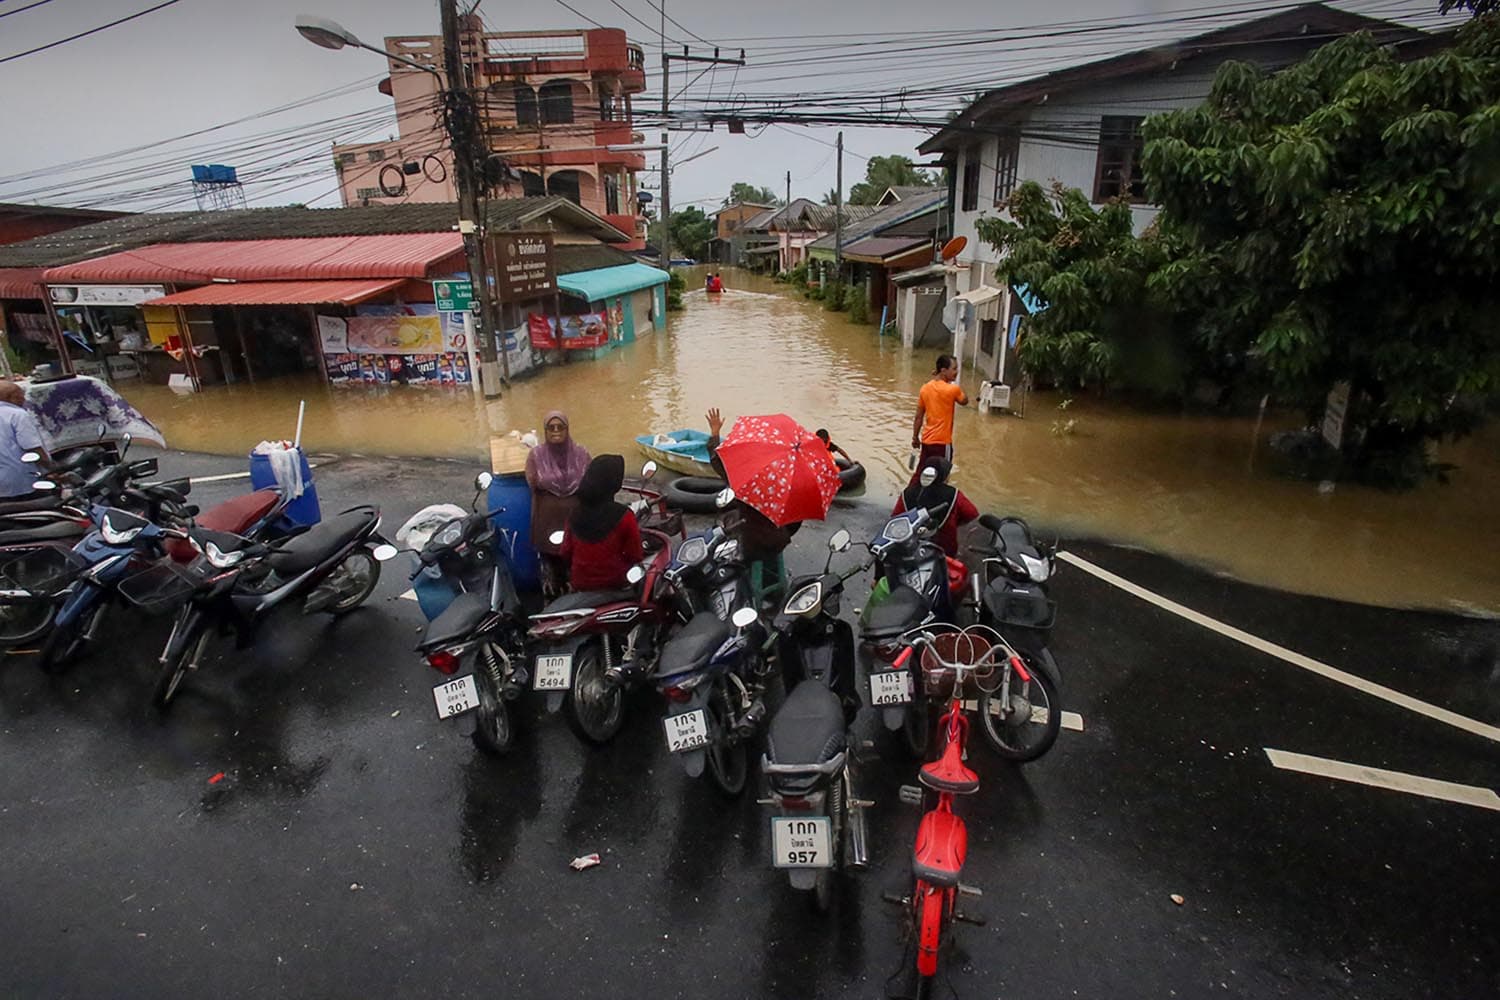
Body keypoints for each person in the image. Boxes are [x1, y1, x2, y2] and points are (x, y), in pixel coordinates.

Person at [706, 407, 800, 607]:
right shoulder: (792, 484)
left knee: (727, 536)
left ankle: (745, 590)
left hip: (750, 546)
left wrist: (715, 434)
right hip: (779, 539)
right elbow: (795, 523)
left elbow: (718, 463)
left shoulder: (749, 482)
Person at [524, 411, 591, 597]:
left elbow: (591, 482)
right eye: (550, 427)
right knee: (551, 563)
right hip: (547, 521)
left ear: (567, 429)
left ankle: (578, 595)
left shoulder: (582, 454)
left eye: (560, 427)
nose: (555, 431)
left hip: (575, 520)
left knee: (575, 561)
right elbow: (531, 482)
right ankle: (552, 597)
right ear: (544, 431)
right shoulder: (535, 456)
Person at [559, 454, 643, 593]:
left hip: (580, 583)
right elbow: (635, 555)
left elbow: (566, 551)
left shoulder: (575, 514)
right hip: (616, 583)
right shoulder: (624, 516)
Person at [891, 456, 977, 559]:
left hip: (911, 548)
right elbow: (971, 513)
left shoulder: (908, 492)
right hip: (945, 550)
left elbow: (896, 517)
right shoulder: (953, 494)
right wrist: (954, 522)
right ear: (943, 476)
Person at [911, 353, 968, 467]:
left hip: (927, 442)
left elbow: (918, 417)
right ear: (943, 370)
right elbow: (964, 401)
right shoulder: (953, 389)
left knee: (921, 474)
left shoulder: (925, 388)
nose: (957, 372)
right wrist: (953, 384)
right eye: (954, 369)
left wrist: (915, 437)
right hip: (942, 443)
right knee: (942, 476)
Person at [0, 381, 48, 501]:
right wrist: (52, 469)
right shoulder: (18, 415)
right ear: (11, 398)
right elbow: (32, 447)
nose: (24, 400)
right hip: (21, 482)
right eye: (21, 396)